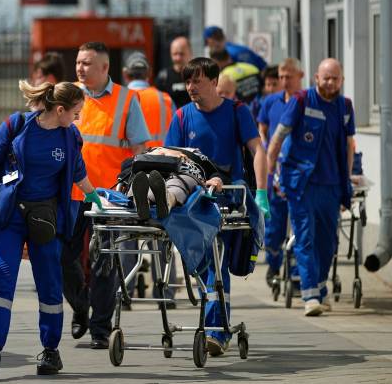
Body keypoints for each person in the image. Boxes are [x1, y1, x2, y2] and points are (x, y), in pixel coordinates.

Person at [0, 80, 101, 377]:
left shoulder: (70, 137)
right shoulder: (15, 126)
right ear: (61, 109)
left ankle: (50, 351)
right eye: (76, 113)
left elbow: (78, 173)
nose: (78, 119)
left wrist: (95, 197)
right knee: (2, 280)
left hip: (44, 219)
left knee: (49, 282)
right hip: (8, 217)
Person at [165, 57, 269, 356]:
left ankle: (215, 332)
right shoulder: (183, 116)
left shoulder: (237, 112)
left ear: (214, 81)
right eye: (187, 81)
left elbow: (257, 150)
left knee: (217, 265)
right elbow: (173, 157)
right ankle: (217, 326)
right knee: (203, 267)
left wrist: (260, 192)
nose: (190, 87)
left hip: (228, 199)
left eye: (196, 81)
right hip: (194, 202)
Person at [63, 42, 150, 348]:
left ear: (104, 68)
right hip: (71, 194)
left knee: (104, 263)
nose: (80, 68)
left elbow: (140, 147)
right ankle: (80, 307)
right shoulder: (68, 95)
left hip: (108, 198)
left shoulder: (127, 100)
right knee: (63, 257)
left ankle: (100, 329)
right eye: (78, 62)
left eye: (86, 63)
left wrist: (132, 188)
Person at [267, 58, 356, 317]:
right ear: (316, 78)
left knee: (328, 242)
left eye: (335, 78)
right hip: (301, 184)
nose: (330, 82)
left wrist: (347, 180)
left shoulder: (345, 107)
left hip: (331, 185)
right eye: (326, 77)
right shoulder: (302, 100)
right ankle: (310, 295)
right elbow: (278, 137)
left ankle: (319, 287)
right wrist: (272, 173)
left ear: (341, 80)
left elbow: (349, 146)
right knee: (305, 237)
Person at [120, 51, 176, 309]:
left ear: (125, 74)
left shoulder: (122, 99)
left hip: (133, 173)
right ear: (149, 74)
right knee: (163, 231)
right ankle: (165, 292)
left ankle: (124, 291)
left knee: (128, 233)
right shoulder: (165, 99)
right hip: (164, 171)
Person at [257, 58, 304, 287]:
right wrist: (266, 147)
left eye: (288, 77)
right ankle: (274, 265)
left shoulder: (304, 102)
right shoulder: (270, 102)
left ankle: (295, 273)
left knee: (297, 224)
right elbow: (262, 128)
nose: (284, 81)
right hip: (273, 171)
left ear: (300, 76)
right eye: (282, 77)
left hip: (296, 172)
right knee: (275, 225)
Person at [156, 36, 193, 108]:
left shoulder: (198, 76)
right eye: (175, 54)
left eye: (181, 54)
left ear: (190, 53)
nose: (178, 58)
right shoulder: (163, 78)